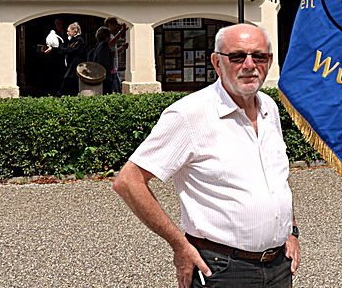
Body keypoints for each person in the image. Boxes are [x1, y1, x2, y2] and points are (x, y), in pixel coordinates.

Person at [113, 24, 299, 288]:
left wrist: (291, 231)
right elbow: (128, 181)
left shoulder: (269, 108)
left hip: (279, 266)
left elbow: (276, 178)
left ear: (269, 61)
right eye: (237, 56)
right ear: (216, 62)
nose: (249, 65)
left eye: (259, 56)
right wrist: (179, 244)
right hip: (222, 269)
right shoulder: (189, 114)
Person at [57, 22, 85, 96]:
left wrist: (60, 47)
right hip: (73, 63)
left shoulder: (79, 40)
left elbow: (70, 50)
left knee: (67, 78)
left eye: (68, 31)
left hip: (76, 63)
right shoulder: (74, 40)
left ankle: (61, 93)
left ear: (74, 31)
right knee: (72, 79)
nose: (67, 33)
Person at [104, 17, 127, 94]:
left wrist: (122, 48)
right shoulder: (108, 36)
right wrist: (121, 31)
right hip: (111, 69)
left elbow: (113, 52)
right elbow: (111, 43)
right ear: (110, 25)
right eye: (115, 25)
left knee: (117, 90)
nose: (117, 27)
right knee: (115, 91)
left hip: (114, 69)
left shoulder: (112, 36)